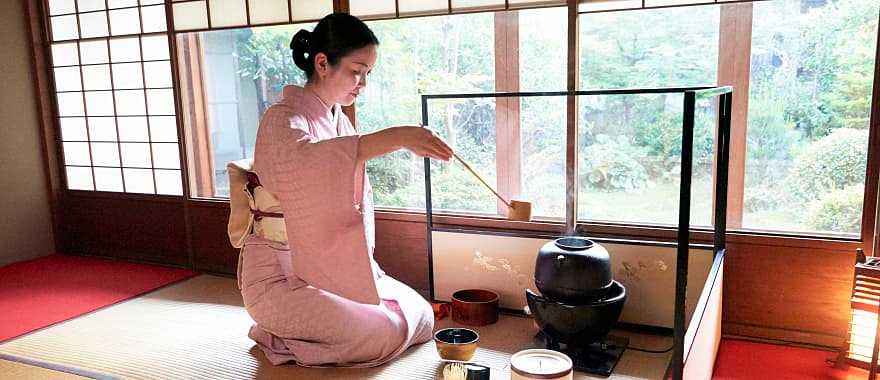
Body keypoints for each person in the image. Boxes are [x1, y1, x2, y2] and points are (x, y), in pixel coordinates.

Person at [236, 13, 453, 367]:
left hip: (331, 272)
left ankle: (314, 330)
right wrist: (397, 137)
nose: (363, 83)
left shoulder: (337, 120)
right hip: (281, 280)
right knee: (380, 333)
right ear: (323, 63)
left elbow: (340, 177)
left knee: (420, 315)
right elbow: (309, 164)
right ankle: (275, 331)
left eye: (368, 73)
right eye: (356, 70)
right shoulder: (281, 119)